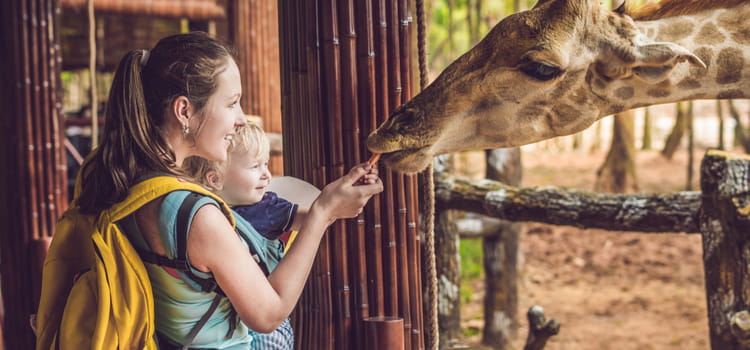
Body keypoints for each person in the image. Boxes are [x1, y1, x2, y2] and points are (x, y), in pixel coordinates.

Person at [75, 32, 382, 349]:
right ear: (184, 111)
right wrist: (322, 213)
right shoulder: (195, 215)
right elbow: (268, 314)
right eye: (232, 103)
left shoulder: (113, 175)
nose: (239, 119)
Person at [182, 122, 303, 349]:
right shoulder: (205, 214)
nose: (267, 175)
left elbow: (308, 216)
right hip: (231, 320)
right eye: (255, 166)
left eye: (266, 163)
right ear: (215, 180)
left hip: (266, 323)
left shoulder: (269, 207)